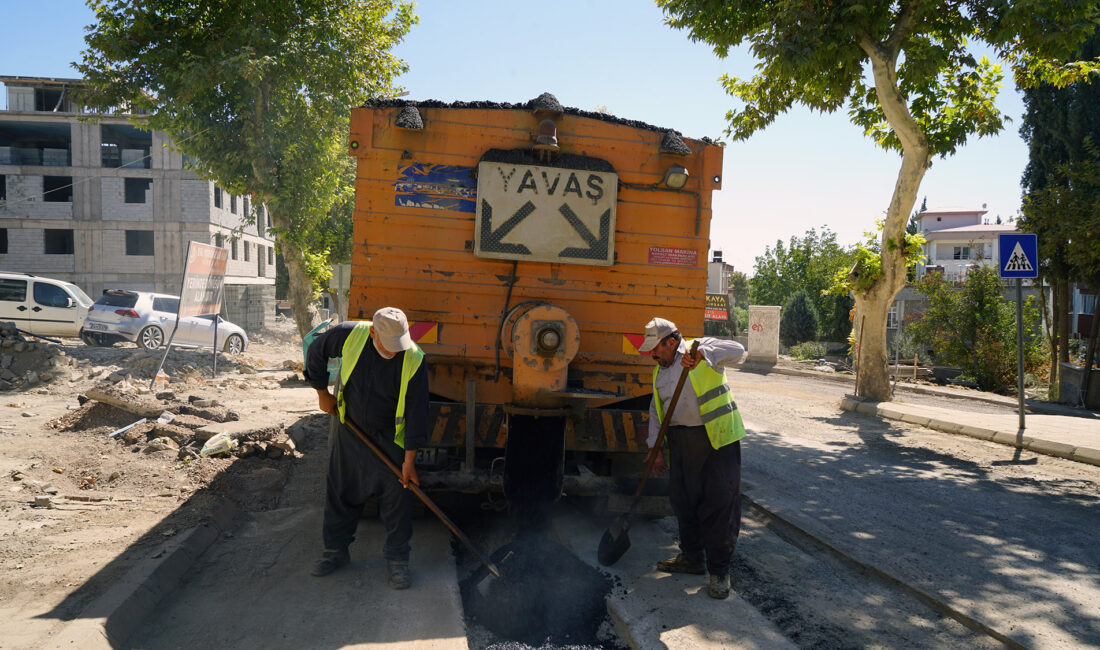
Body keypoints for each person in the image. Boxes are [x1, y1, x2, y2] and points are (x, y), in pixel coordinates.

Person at [304, 306, 429, 590]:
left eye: (400, 344)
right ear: (373, 332)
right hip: (350, 427)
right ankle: (335, 552)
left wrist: (409, 461)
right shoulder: (350, 335)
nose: (395, 351)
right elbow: (315, 351)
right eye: (389, 345)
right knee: (340, 488)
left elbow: (418, 413)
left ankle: (398, 560)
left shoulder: (415, 360)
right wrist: (322, 392)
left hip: (390, 436)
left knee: (398, 493)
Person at [639, 317, 747, 600]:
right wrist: (655, 448)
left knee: (718, 505)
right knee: (683, 502)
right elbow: (655, 411)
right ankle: (691, 558)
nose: (651, 354)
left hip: (716, 442)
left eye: (655, 348)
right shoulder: (659, 372)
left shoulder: (698, 348)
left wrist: (703, 354)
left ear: (671, 342)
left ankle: (720, 573)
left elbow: (738, 350)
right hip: (681, 444)